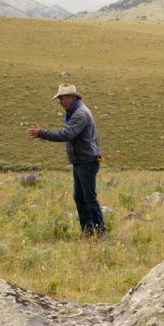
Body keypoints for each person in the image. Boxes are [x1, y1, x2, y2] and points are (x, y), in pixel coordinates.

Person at [26, 84, 106, 237]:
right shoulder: (74, 112)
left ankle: (100, 232)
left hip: (86, 161)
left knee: (88, 198)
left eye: (62, 98)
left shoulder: (80, 114)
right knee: (80, 197)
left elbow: (67, 134)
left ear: (71, 97)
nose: (60, 101)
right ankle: (88, 231)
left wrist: (42, 133)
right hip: (81, 161)